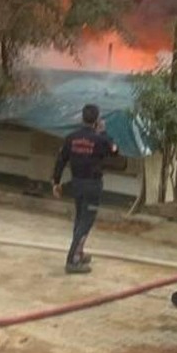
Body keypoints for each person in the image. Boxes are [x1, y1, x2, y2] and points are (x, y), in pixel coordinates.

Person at [51, 104, 118, 274]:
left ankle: (78, 253)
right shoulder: (100, 139)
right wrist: (103, 132)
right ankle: (72, 260)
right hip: (92, 186)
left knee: (80, 219)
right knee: (86, 222)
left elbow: (61, 160)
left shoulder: (71, 138)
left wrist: (56, 182)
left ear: (82, 118)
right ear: (97, 120)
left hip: (77, 183)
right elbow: (115, 151)